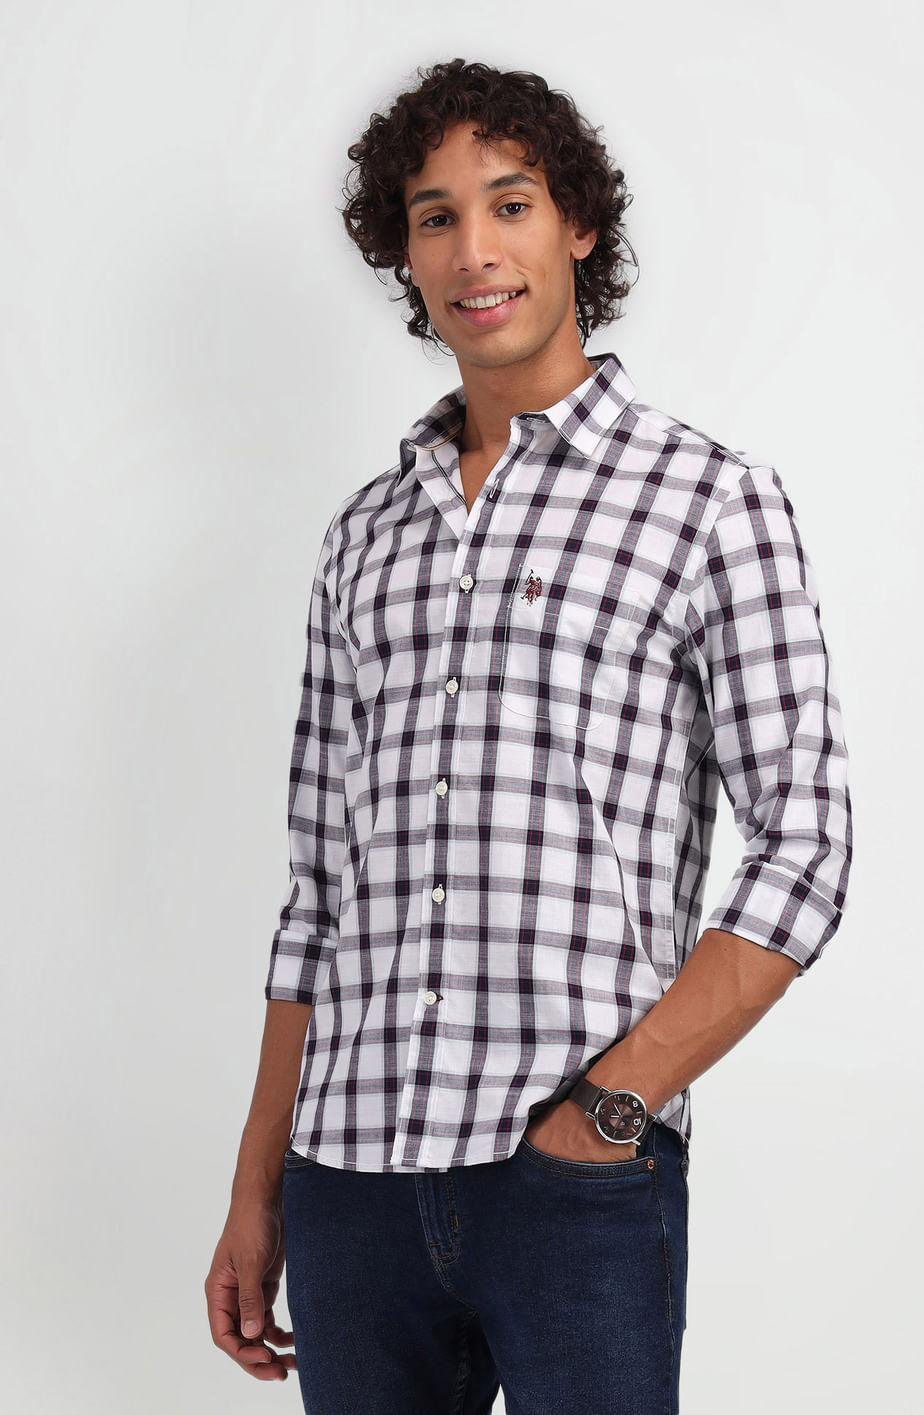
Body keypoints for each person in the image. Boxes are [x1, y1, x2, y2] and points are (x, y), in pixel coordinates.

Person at [205, 56, 853, 1415]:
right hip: (348, 1183)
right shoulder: (364, 536)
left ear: (579, 227)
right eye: (435, 217)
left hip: (570, 1185)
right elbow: (317, 895)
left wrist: (609, 1114)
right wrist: (257, 1190)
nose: (474, 251)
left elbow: (803, 849)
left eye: (509, 204)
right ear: (404, 255)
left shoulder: (706, 500)